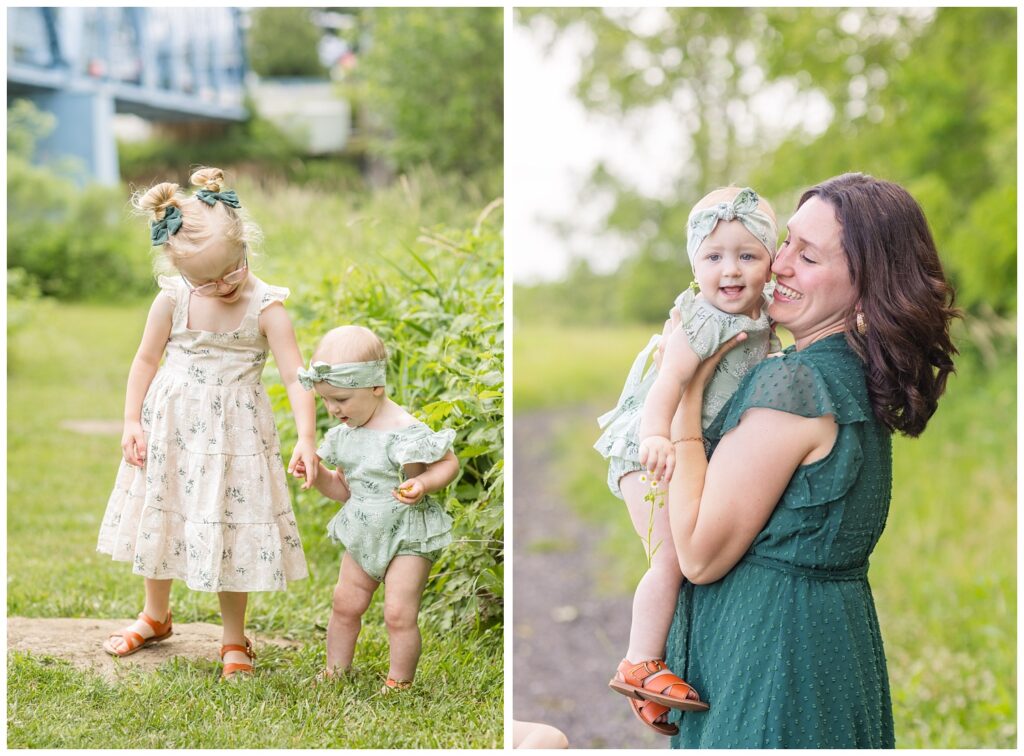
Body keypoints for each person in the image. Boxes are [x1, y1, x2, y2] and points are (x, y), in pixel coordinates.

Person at [661, 173, 958, 747]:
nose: (778, 265)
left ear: (865, 286)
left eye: (809, 256)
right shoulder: (854, 371)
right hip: (834, 646)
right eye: (787, 242)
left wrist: (686, 393)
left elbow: (698, 554)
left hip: (772, 653)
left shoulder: (796, 381)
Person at [97, 167, 317, 679]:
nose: (221, 286)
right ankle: (155, 615)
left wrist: (306, 436)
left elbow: (295, 374)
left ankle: (234, 638)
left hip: (234, 441)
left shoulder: (267, 308)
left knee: (229, 529)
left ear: (246, 248)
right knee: (163, 512)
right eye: (206, 280)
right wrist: (132, 420)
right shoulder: (173, 298)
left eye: (231, 272)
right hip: (171, 429)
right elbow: (144, 361)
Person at [594, 187, 780, 735]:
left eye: (747, 256)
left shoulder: (764, 313)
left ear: (771, 262)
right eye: (713, 256)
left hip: (685, 450)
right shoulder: (697, 321)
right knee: (673, 560)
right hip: (648, 450)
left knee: (695, 558)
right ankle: (639, 662)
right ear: (695, 262)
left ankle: (668, 665)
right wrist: (655, 435)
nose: (730, 270)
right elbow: (670, 382)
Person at [294, 325, 460, 690]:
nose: (333, 409)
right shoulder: (346, 433)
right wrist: (317, 472)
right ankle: (335, 670)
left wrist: (424, 483)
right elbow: (342, 490)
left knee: (399, 613)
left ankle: (399, 681)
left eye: (341, 399)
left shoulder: (407, 429)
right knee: (345, 603)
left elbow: (449, 462)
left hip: (407, 534)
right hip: (364, 530)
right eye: (325, 400)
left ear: (376, 387)